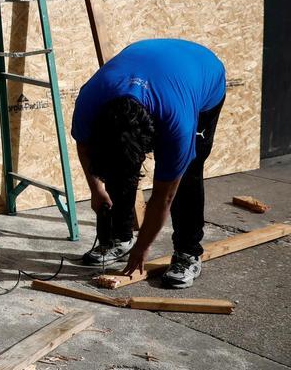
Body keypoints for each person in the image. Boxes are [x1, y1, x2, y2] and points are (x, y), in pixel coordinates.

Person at [70, 38, 226, 289]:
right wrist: (96, 189)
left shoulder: (177, 125)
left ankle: (188, 252)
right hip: (156, 68)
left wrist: (143, 249)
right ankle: (120, 237)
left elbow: (163, 198)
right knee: (117, 163)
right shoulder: (90, 102)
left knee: (188, 172)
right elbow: (85, 146)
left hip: (202, 73)